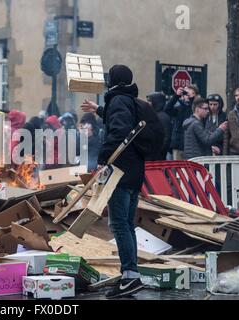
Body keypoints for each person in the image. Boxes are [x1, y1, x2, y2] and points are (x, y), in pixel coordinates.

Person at [81, 64, 145, 298]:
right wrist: (99, 109)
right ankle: (132, 274)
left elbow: (118, 131)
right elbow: (120, 119)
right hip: (135, 171)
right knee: (127, 224)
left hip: (120, 171)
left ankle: (130, 274)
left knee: (118, 224)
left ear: (114, 80)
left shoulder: (118, 100)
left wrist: (102, 158)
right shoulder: (130, 100)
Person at [164, 85, 199, 160]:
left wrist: (192, 98)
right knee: (177, 170)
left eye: (191, 93)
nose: (187, 95)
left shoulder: (197, 109)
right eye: (185, 93)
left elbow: (193, 108)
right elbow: (167, 109)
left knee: (189, 170)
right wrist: (176, 96)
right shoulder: (179, 108)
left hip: (191, 147)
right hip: (178, 145)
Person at [147, 92, 172, 160]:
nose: (148, 103)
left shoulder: (163, 117)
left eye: (150, 101)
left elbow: (166, 138)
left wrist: (157, 152)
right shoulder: (153, 115)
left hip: (157, 156)